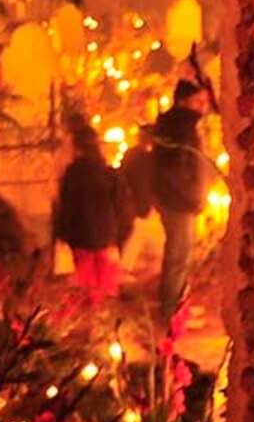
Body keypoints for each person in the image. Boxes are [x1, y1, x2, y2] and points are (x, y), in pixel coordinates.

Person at [142, 77, 216, 312]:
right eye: (197, 102)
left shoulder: (178, 125)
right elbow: (177, 168)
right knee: (179, 254)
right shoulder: (180, 128)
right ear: (184, 102)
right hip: (179, 201)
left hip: (177, 199)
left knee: (181, 253)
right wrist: (192, 198)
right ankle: (172, 308)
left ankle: (176, 303)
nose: (202, 107)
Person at [50, 109, 130, 308]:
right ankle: (107, 317)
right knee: (107, 278)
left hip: (81, 236)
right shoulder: (108, 172)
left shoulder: (73, 173)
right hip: (105, 233)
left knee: (87, 281)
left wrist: (61, 231)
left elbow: (67, 206)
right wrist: (117, 230)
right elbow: (121, 203)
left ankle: (94, 314)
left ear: (77, 147)